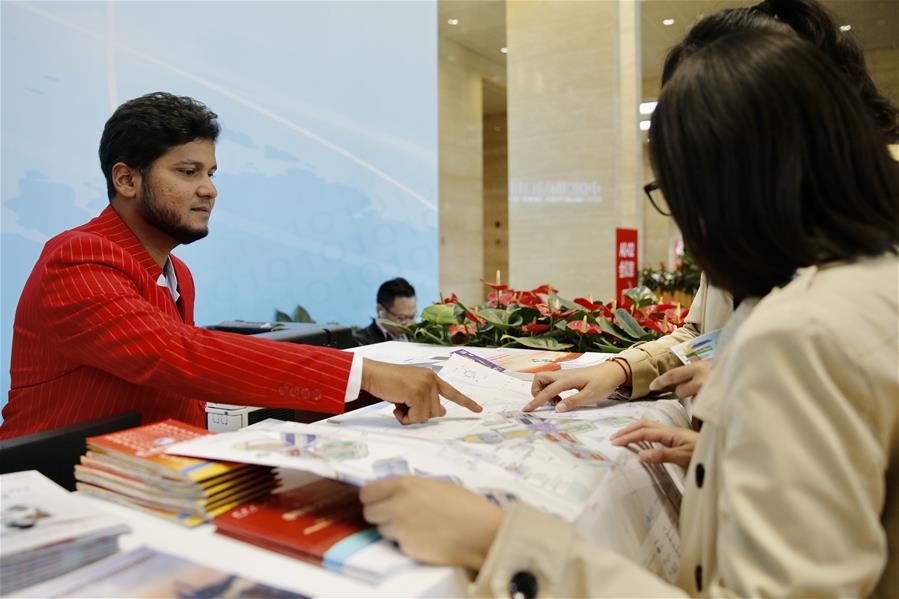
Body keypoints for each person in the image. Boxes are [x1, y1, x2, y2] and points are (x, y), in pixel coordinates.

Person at [360, 31, 899, 597]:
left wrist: (497, 542)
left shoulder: (800, 333)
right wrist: (723, 459)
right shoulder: (869, 285)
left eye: (679, 194)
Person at [0, 93, 480, 440]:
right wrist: (361, 371)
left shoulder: (177, 273)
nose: (209, 189)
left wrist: (376, 392)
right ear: (126, 178)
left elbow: (178, 384)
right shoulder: (78, 257)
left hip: (154, 475)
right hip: (57, 486)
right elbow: (176, 355)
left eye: (210, 173)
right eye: (187, 172)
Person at [525, 0, 899, 419]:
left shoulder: (829, 299)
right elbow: (706, 335)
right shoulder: (746, 228)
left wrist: (747, 398)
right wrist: (625, 368)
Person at [353, 277, 417, 346]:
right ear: (380, 309)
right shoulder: (362, 343)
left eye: (412, 317)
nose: (408, 324)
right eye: (401, 318)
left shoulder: (419, 334)